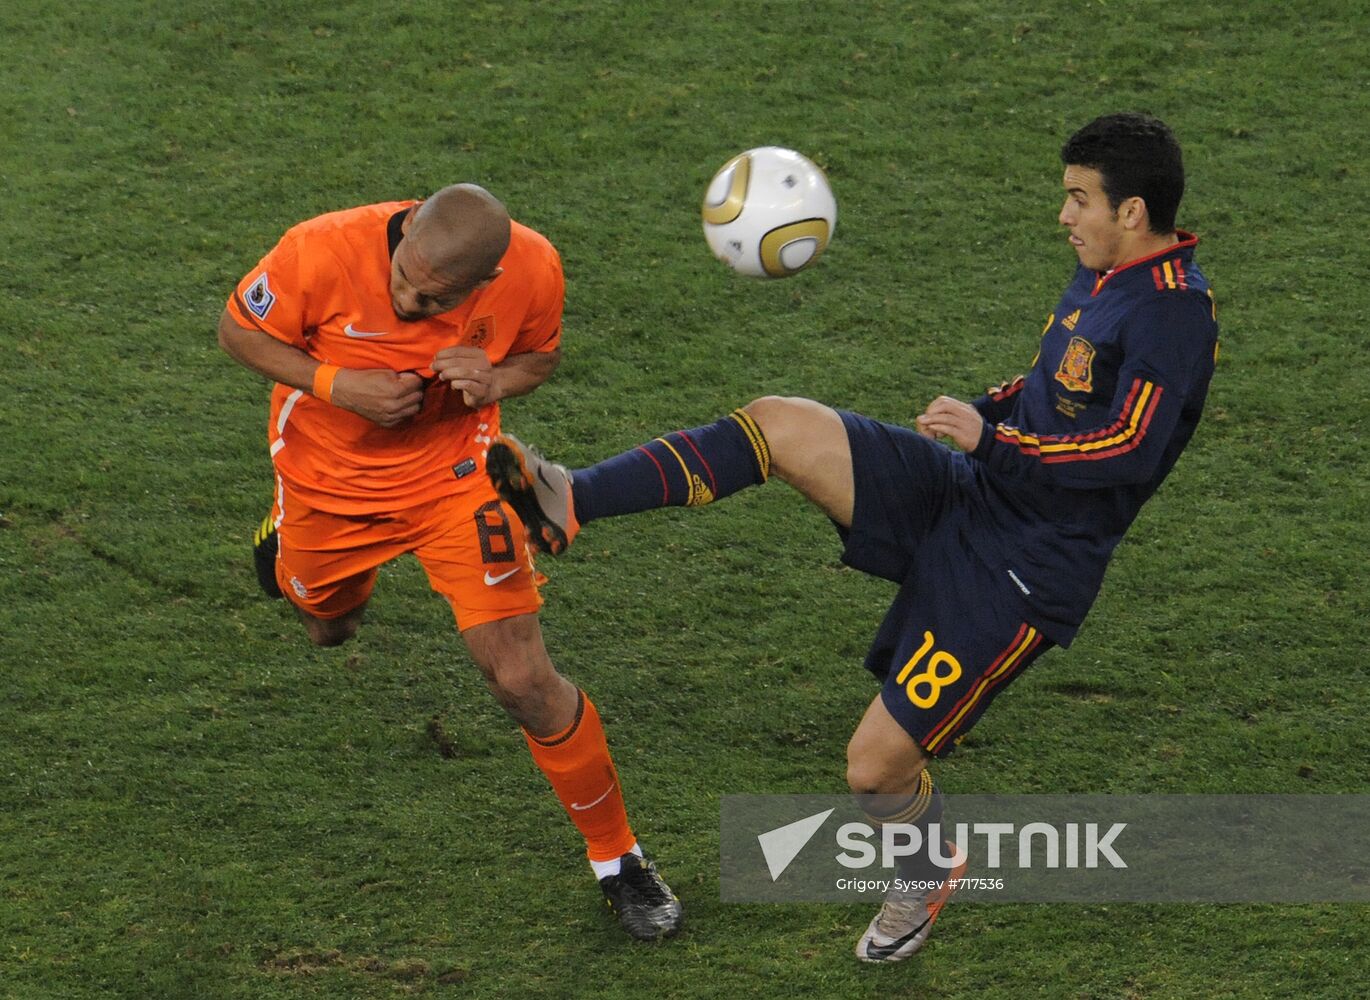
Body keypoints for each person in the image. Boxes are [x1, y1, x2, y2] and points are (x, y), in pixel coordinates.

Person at [486, 113, 1218, 963]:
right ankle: (572, 499)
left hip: (1026, 566)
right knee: (780, 425)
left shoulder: (1174, 315)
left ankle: (926, 864)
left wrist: (995, 441)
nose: (1064, 215)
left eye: (1077, 199)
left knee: (874, 771)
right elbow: (1055, 380)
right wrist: (991, 410)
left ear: (1132, 212)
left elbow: (1128, 450)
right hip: (980, 492)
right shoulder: (1106, 273)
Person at [217, 184, 683, 942]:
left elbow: (541, 355)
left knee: (524, 679)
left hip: (455, 481)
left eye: (429, 297)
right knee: (329, 628)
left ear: (482, 285)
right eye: (402, 275)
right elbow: (237, 332)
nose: (404, 298)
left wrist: (497, 381)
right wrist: (336, 384)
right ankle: (286, 537)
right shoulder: (320, 249)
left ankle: (618, 858)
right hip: (327, 483)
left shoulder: (532, 267)